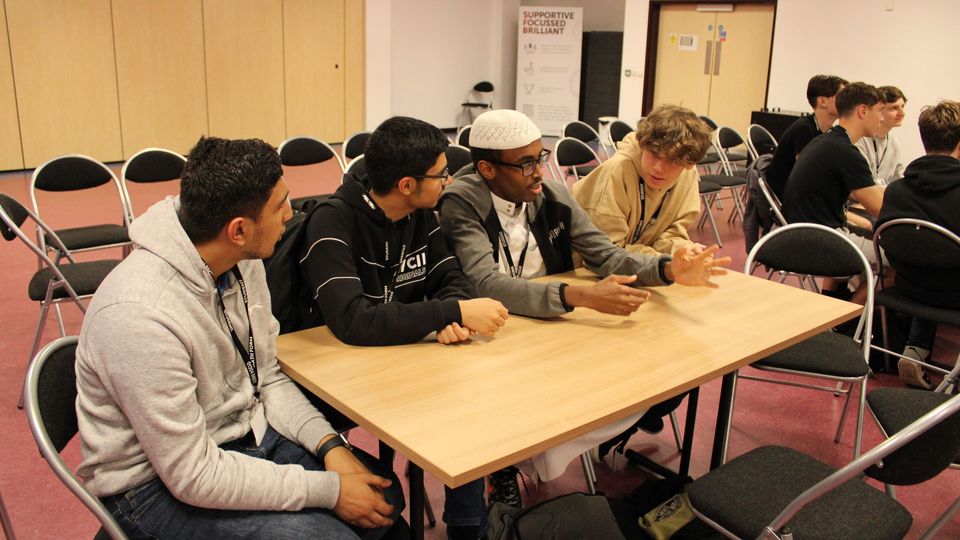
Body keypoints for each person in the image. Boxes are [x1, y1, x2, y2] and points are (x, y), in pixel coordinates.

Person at [75, 137, 404, 539]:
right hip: (151, 486)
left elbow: (266, 378)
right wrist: (329, 490)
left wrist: (330, 446)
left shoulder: (240, 260)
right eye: (280, 204)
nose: (291, 213)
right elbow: (192, 474)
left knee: (385, 499)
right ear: (239, 230)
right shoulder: (139, 316)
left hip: (241, 433)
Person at [437, 109, 729, 505]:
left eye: (541, 158)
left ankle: (537, 456)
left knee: (647, 376)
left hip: (549, 323)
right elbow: (485, 283)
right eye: (526, 164)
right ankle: (500, 467)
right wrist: (577, 296)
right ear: (487, 169)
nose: (539, 172)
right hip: (493, 329)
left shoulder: (552, 195)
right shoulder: (461, 202)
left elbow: (606, 255)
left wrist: (666, 269)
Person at [299, 116, 509, 539]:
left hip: (400, 361)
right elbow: (352, 320)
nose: (449, 181)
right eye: (441, 174)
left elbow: (453, 280)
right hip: (335, 378)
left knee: (466, 390)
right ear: (407, 185)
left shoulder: (422, 215)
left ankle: (468, 527)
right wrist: (445, 315)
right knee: (453, 394)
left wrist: (452, 313)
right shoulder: (331, 221)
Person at [876, 99, 960, 388]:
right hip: (953, 297)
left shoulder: (897, 190)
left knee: (934, 264)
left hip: (908, 289)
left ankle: (915, 349)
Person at [571, 104, 712, 256]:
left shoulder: (687, 173)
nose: (659, 167)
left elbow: (672, 234)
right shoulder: (618, 170)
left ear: (689, 164)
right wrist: (664, 263)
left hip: (638, 267)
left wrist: (681, 249)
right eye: (654, 154)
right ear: (642, 145)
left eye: (672, 160)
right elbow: (606, 254)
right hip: (582, 270)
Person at [782, 82, 887, 276]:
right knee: (899, 259)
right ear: (863, 111)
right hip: (820, 240)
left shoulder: (827, 140)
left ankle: (839, 296)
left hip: (798, 233)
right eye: (881, 110)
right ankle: (858, 306)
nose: (882, 118)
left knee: (868, 230)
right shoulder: (846, 152)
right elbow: (882, 208)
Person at [767, 74, 848, 199]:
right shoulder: (804, 128)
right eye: (842, 96)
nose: (847, 102)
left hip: (804, 193)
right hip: (789, 197)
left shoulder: (827, 130)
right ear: (822, 101)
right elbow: (806, 174)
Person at [856, 85, 907, 185]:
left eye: (902, 106)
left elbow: (899, 178)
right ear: (879, 109)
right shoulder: (860, 139)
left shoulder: (894, 142)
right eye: (894, 108)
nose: (902, 113)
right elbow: (864, 181)